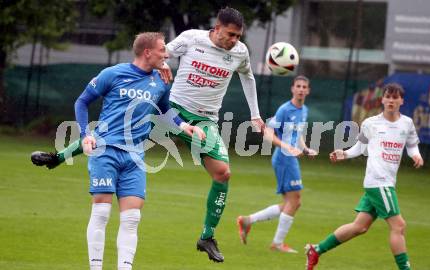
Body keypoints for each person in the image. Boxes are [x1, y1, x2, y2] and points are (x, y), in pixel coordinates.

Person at [31, 7, 265, 263]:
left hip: (205, 119)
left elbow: (249, 77)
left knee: (223, 172)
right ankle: (58, 157)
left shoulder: (239, 52)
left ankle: (206, 236)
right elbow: (161, 53)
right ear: (217, 28)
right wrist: (164, 64)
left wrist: (255, 114)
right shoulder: (191, 39)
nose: (235, 40)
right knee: (116, 131)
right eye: (230, 34)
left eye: (238, 36)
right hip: (172, 108)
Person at [72, 32, 204, 270]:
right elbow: (81, 101)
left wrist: (185, 126)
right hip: (106, 150)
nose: (166, 54)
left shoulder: (161, 81)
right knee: (101, 213)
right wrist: (85, 134)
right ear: (147, 52)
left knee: (132, 219)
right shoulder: (112, 74)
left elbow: (165, 110)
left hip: (135, 157)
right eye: (162, 50)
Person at [305, 83, 424, 270]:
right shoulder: (371, 123)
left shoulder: (407, 123)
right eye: (388, 97)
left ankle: (316, 249)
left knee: (359, 227)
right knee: (398, 226)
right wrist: (344, 154)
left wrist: (416, 155)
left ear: (401, 100)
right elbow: (360, 147)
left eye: (395, 97)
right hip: (378, 182)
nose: (391, 100)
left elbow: (411, 144)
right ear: (382, 99)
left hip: (386, 182)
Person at [236, 75, 317, 253]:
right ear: (292, 89)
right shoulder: (284, 110)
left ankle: (248, 220)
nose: (301, 89)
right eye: (298, 86)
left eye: (305, 86)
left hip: (291, 158)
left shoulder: (303, 110)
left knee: (292, 202)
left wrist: (305, 149)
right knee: (295, 201)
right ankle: (277, 243)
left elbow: (298, 134)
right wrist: (287, 146)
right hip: (283, 158)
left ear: (308, 90)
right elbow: (268, 134)